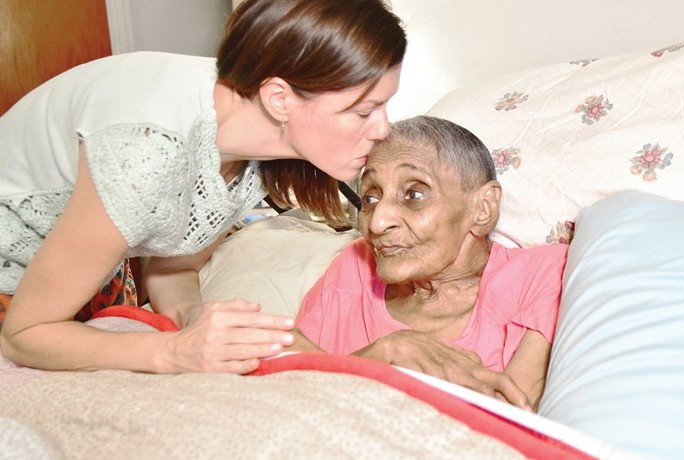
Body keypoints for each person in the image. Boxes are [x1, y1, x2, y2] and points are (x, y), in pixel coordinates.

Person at [0, 0, 406, 374]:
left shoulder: (249, 144)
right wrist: (174, 352)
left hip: (86, 282)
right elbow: (24, 335)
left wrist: (194, 320)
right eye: (364, 111)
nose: (383, 129)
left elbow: (171, 265)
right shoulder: (145, 150)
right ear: (279, 99)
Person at [289, 116, 568, 411]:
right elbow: (289, 393)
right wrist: (382, 355)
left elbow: (509, 418)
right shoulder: (354, 267)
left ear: (483, 207)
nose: (377, 222)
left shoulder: (544, 274)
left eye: (414, 194)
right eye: (370, 198)